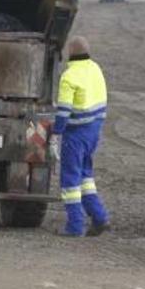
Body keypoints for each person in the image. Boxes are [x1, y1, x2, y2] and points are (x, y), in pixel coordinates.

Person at [52, 36, 110, 237]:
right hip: (94, 131)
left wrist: (56, 131)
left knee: (70, 182)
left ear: (70, 53)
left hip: (75, 134)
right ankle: (100, 217)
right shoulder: (95, 68)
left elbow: (63, 112)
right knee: (86, 176)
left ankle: (75, 226)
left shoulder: (69, 76)